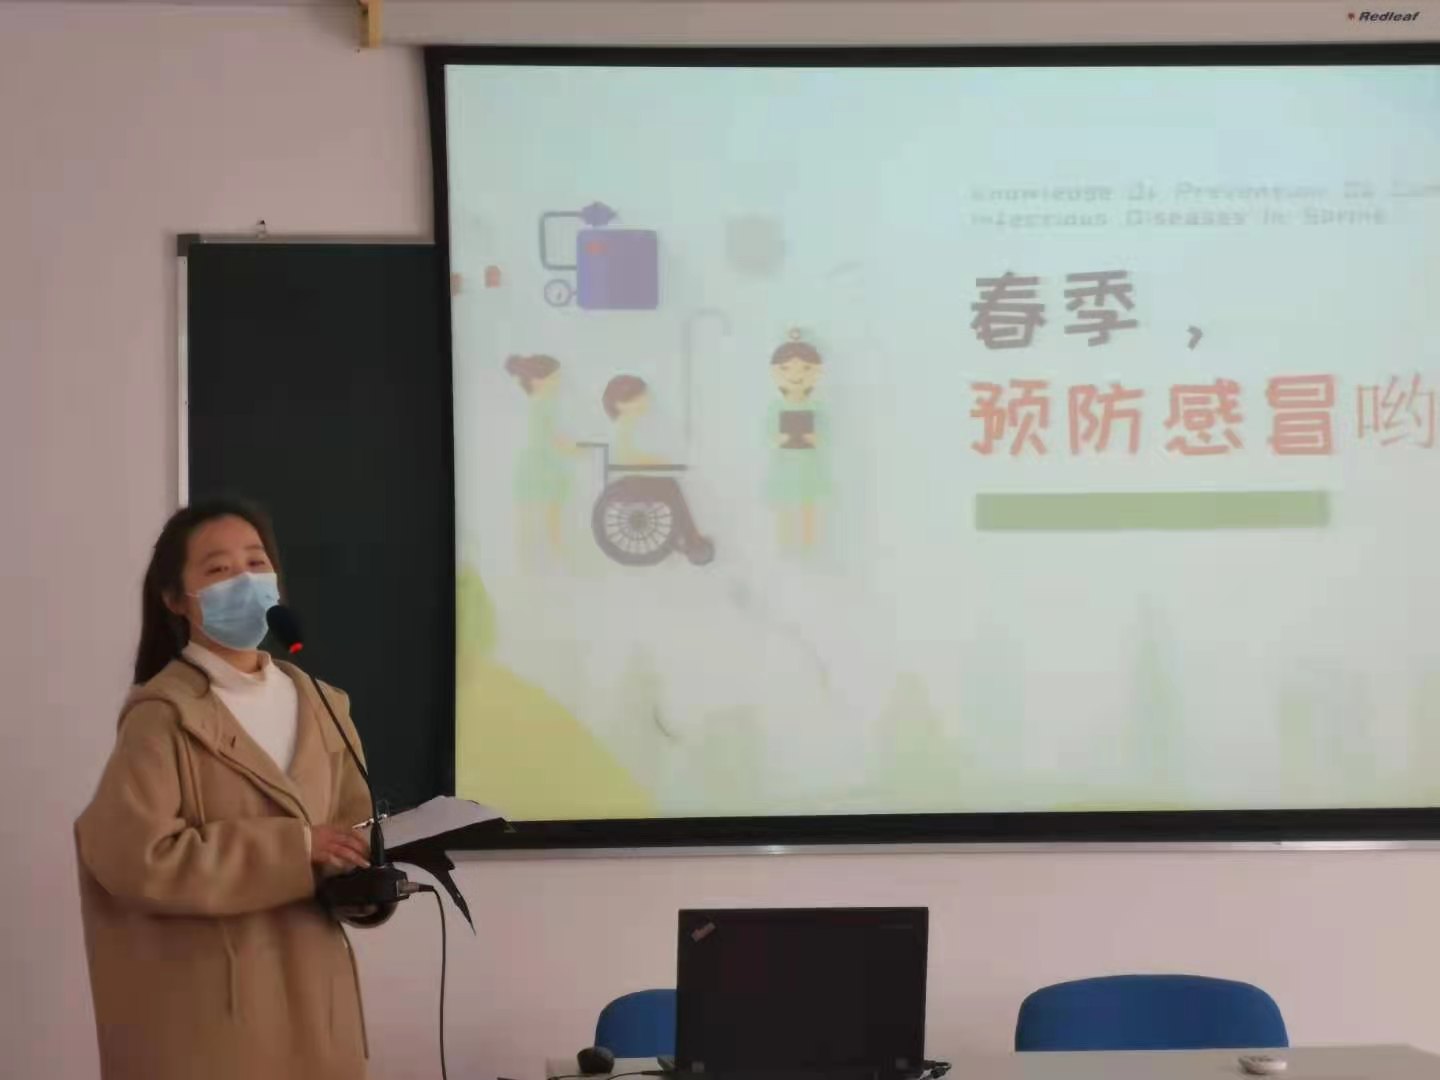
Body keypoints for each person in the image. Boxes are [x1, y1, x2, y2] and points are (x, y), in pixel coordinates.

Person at [75, 501, 375, 1080]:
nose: (244, 581)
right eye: (218, 569)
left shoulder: (324, 705)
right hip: (212, 1023)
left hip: (318, 1013)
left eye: (256, 563)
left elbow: (349, 836)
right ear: (175, 598)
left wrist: (369, 884)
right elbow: (135, 858)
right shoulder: (163, 717)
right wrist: (295, 850)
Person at [765, 332, 831, 551]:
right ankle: (785, 541)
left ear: (815, 371)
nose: (796, 375)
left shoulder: (815, 407)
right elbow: (767, 431)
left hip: (809, 464)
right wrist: (779, 439)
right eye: (786, 368)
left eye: (805, 368)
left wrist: (816, 438)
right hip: (784, 462)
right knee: (784, 504)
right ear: (776, 372)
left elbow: (826, 432)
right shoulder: (776, 407)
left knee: (808, 504)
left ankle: (809, 542)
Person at [505, 353, 576, 555]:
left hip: (540, 464)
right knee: (544, 516)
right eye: (555, 378)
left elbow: (552, 437)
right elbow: (555, 438)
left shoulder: (538, 403)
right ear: (537, 381)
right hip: (541, 466)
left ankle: (547, 555)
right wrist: (575, 449)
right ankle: (554, 554)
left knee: (536, 517)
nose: (559, 382)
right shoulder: (544, 404)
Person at [602, 373, 663, 466]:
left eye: (644, 395)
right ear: (619, 404)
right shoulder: (623, 429)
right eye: (637, 398)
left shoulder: (636, 426)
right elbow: (627, 459)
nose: (645, 400)